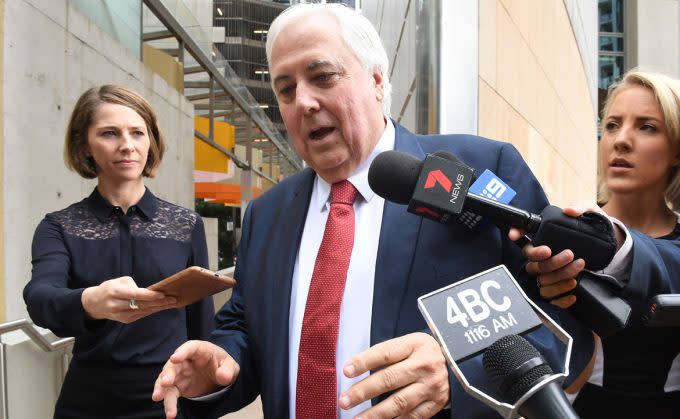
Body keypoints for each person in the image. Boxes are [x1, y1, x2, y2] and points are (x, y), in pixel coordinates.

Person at [151, 3, 599, 419]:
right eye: (285, 90)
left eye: (323, 76)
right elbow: (244, 326)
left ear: (378, 81)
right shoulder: (266, 214)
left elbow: (561, 317)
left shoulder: (479, 169)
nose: (303, 101)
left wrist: (457, 378)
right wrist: (221, 362)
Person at [23, 85, 214, 419]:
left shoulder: (186, 223)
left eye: (137, 132)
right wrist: (89, 302)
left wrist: (208, 401)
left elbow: (202, 323)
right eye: (109, 133)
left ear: (150, 140)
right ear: (84, 144)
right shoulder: (59, 226)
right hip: (88, 403)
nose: (127, 145)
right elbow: (40, 297)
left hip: (171, 398)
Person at [547, 70, 680, 418]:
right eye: (612, 125)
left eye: (646, 126)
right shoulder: (567, 233)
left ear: (679, 150)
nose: (621, 140)